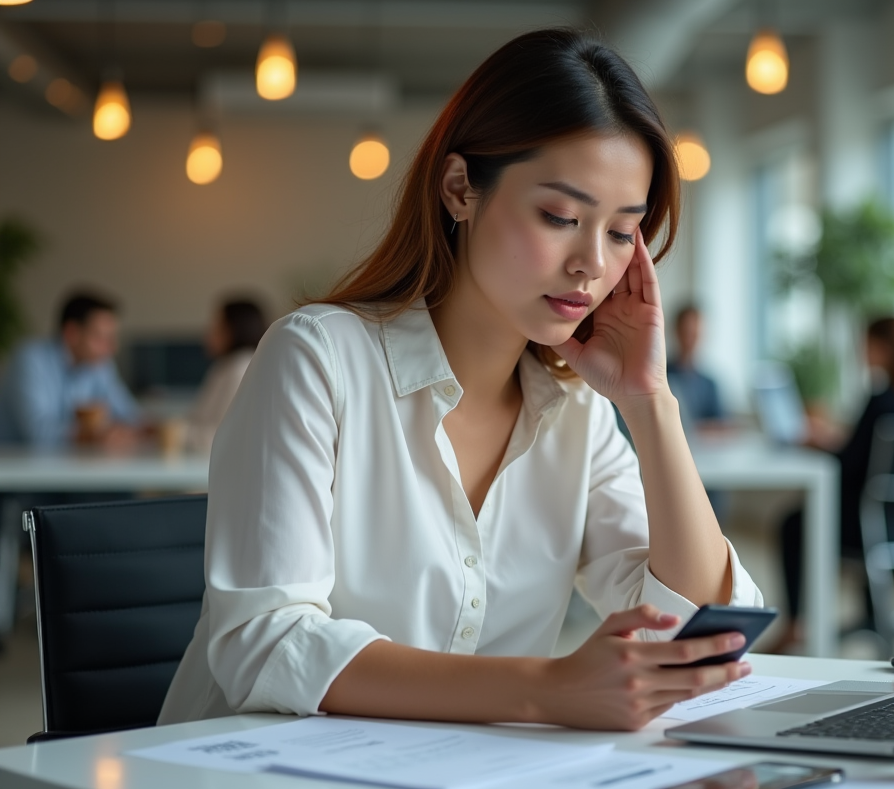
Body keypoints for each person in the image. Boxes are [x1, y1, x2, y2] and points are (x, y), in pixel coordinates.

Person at [159, 28, 763, 731]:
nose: (591, 265)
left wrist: (651, 404)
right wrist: (546, 689)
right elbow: (265, 643)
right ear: (459, 190)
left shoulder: (577, 411)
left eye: (622, 232)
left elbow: (695, 639)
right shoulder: (317, 361)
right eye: (560, 216)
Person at [775, 316, 894, 652]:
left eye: (865, 343)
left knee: (794, 524)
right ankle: (871, 616)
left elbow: (849, 465)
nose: (860, 351)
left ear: (882, 348)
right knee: (866, 504)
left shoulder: (881, 400)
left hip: (874, 528)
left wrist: (821, 442)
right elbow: (874, 457)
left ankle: (796, 623)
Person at [0, 291, 141, 448]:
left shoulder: (100, 365)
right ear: (72, 333)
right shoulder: (30, 359)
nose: (112, 348)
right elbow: (37, 433)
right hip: (16, 466)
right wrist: (94, 436)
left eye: (112, 337)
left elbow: (130, 415)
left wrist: (140, 429)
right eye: (101, 338)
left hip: (73, 465)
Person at [185, 298, 269, 455]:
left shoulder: (240, 368)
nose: (209, 333)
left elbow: (219, 436)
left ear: (235, 330)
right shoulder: (227, 366)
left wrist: (172, 433)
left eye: (217, 326)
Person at [666, 305, 726, 430]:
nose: (690, 340)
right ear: (676, 331)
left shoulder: (709, 384)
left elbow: (719, 424)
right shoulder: (661, 378)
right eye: (686, 332)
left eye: (695, 334)